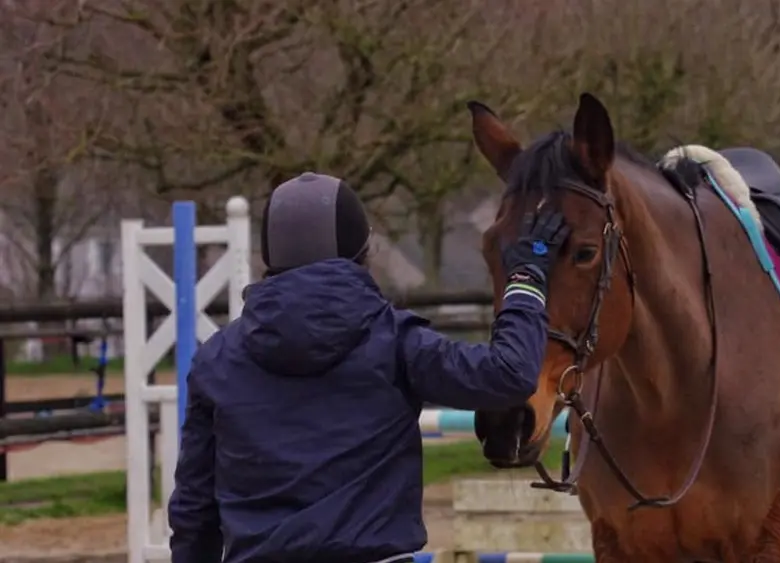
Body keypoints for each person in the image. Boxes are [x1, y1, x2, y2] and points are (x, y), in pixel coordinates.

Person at [167, 172, 569, 563]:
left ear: (269, 257)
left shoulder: (216, 359)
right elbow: (510, 373)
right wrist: (527, 275)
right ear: (363, 252)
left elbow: (194, 511)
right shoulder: (395, 341)